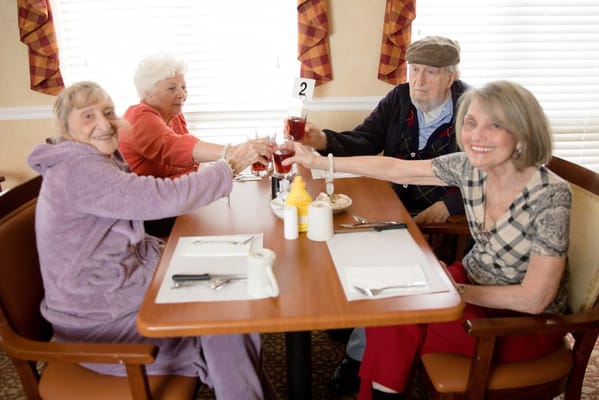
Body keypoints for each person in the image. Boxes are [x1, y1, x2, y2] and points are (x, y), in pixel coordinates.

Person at [284, 80, 571, 400]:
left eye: (494, 125)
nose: (477, 135)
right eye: (471, 123)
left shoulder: (550, 195)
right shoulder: (472, 168)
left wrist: (454, 292)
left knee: (397, 317)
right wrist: (320, 162)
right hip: (470, 284)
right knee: (391, 303)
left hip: (521, 323)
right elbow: (398, 169)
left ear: (522, 134)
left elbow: (535, 299)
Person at [28, 81, 268, 399]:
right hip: (99, 327)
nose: (103, 122)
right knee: (227, 320)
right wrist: (230, 165)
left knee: (231, 294)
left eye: (108, 112)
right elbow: (159, 197)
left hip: (115, 299)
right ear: (65, 127)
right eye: (88, 116)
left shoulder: (90, 160)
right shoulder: (78, 169)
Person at [294, 35, 470, 395]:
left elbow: (479, 171)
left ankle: (359, 357)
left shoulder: (472, 109)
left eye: (430, 73)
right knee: (334, 231)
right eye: (414, 70)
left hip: (438, 213)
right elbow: (365, 140)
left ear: (450, 77)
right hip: (390, 198)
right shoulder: (399, 97)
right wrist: (321, 140)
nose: (418, 81)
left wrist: (448, 206)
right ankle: (357, 320)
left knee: (381, 259)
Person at [118, 52, 272, 236]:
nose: (182, 94)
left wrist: (236, 157)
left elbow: (192, 159)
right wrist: (236, 152)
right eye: (172, 88)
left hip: (177, 202)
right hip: (151, 215)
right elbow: (175, 148)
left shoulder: (173, 116)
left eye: (183, 87)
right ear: (147, 92)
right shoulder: (139, 117)